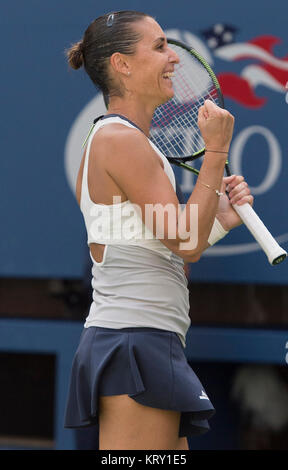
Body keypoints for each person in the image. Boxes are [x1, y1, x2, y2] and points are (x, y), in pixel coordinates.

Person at [64, 11, 253, 450]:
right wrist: (217, 151)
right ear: (122, 64)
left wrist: (222, 218)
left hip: (146, 336)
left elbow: (168, 247)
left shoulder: (125, 141)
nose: (173, 58)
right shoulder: (119, 140)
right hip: (133, 339)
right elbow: (184, 242)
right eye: (160, 46)